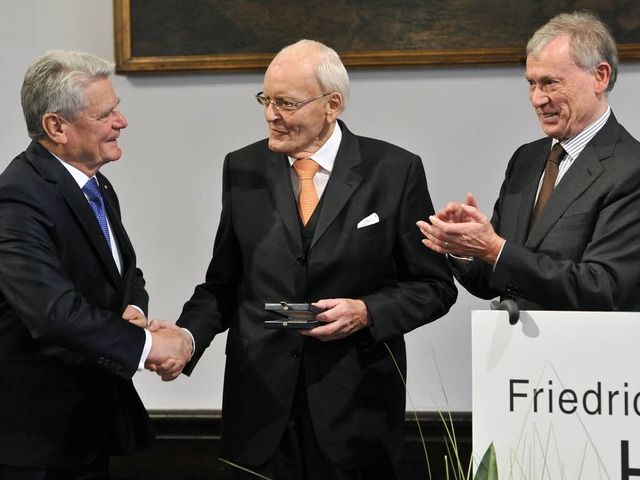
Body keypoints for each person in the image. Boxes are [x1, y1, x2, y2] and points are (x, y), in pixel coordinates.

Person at [155, 39, 457, 479]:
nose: (270, 115)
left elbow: (434, 286)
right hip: (260, 410)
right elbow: (223, 285)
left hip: (355, 413)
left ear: (331, 104)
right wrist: (187, 337)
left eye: (286, 102)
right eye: (265, 99)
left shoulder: (394, 170)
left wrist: (368, 311)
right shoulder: (242, 169)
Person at [0, 50, 192, 479]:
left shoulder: (96, 185)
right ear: (57, 127)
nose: (121, 122)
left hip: (86, 430)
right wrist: (145, 347)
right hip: (33, 445)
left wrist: (135, 313)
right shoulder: (17, 198)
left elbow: (125, 273)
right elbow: (51, 311)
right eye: (106, 114)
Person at [418, 11, 640, 311]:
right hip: (518, 350)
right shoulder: (527, 158)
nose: (537, 99)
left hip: (586, 352)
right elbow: (493, 280)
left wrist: (495, 249)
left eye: (550, 83)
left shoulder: (631, 168)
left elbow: (603, 287)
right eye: (531, 83)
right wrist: (467, 249)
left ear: (599, 77)